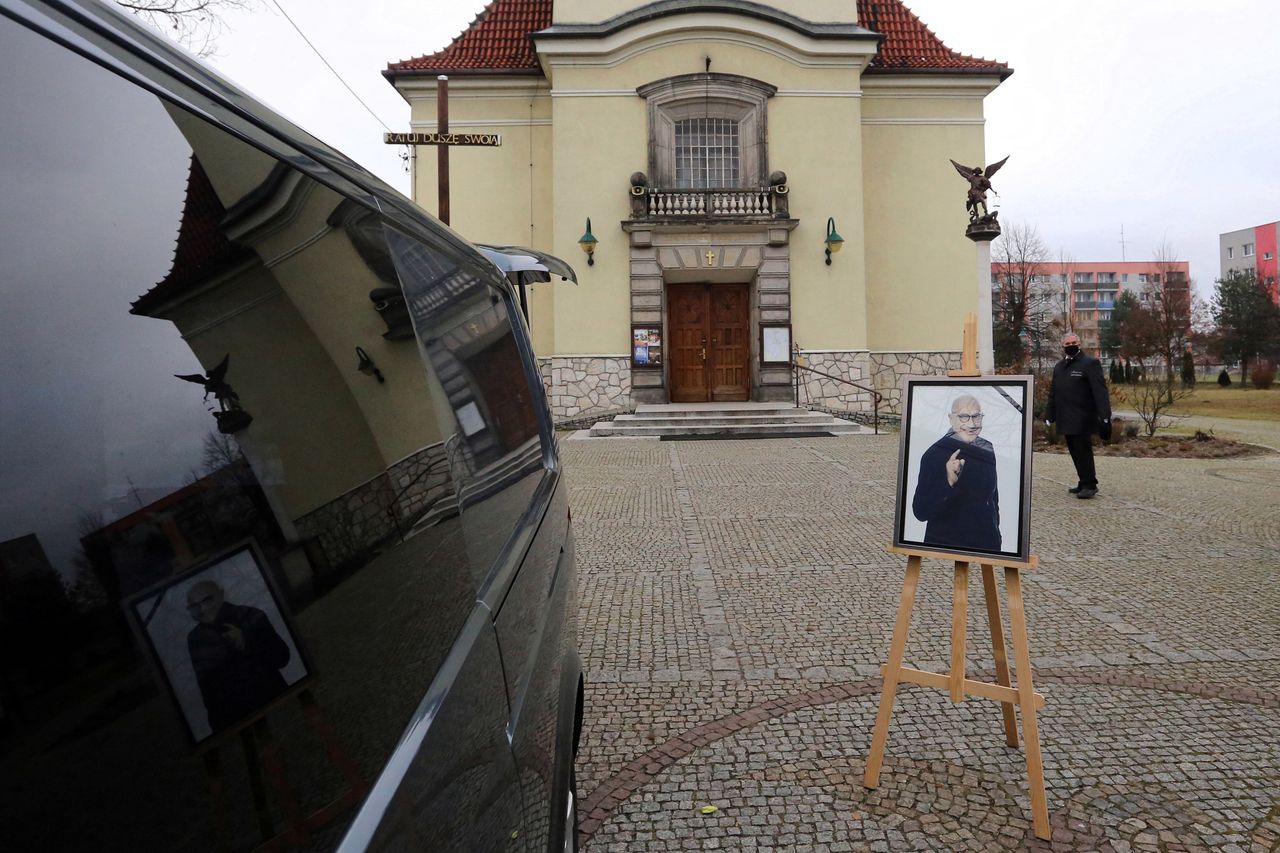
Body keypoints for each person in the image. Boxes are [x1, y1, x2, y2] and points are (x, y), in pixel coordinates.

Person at [186, 580, 291, 732]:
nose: (202, 609)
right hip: (235, 717)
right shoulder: (196, 638)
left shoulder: (250, 616)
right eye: (194, 606)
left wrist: (246, 642)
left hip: (275, 701)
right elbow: (207, 687)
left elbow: (282, 657)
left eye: (208, 600)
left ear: (221, 595)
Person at [912, 393, 1001, 551]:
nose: (972, 424)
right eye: (964, 417)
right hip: (949, 545)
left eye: (976, 416)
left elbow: (993, 498)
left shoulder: (987, 448)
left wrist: (996, 534)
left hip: (987, 543)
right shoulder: (934, 454)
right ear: (951, 419)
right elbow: (920, 511)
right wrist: (948, 481)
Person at [1045, 332, 1112, 500]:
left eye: (1073, 342)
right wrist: (1050, 414)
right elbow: (1054, 392)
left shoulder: (1090, 364)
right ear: (1063, 346)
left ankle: (1090, 484)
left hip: (1083, 417)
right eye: (1067, 343)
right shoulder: (1059, 367)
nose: (1071, 345)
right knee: (1074, 451)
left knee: (1083, 451)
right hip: (1065, 417)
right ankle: (1083, 481)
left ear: (1079, 344)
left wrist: (1105, 416)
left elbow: (1100, 392)